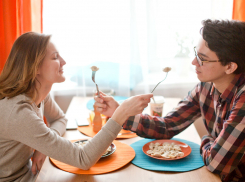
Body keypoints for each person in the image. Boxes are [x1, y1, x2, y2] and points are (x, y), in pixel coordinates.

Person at [94, 19, 245, 182]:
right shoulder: (206, 86)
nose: (194, 62)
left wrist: (206, 138)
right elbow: (168, 126)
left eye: (202, 58)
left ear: (230, 67)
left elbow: (216, 163)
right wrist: (120, 113)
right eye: (196, 53)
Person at [0, 32, 153, 182]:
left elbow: (59, 118)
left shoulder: (37, 93)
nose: (64, 61)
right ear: (35, 67)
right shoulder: (18, 113)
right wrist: (121, 113)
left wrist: (42, 147)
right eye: (55, 57)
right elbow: (83, 159)